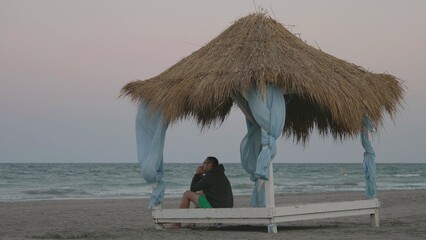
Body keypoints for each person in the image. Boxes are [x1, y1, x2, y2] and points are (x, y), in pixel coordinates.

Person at [169, 156, 233, 229]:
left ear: (210, 165)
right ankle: (192, 223)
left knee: (187, 193)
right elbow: (204, 185)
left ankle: (177, 223)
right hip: (226, 207)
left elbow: (193, 189)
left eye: (204, 163)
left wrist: (197, 174)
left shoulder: (210, 175)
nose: (203, 165)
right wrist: (200, 175)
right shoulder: (219, 174)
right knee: (201, 193)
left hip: (216, 207)